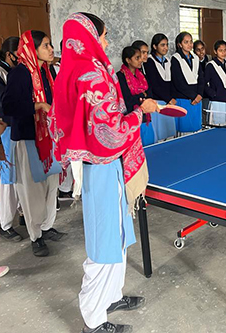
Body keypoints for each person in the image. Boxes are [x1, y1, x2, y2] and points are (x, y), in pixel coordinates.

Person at [50, 12, 158, 332]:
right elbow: (110, 132)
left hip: (103, 164)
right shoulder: (90, 75)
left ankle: (111, 295)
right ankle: (94, 321)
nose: (107, 42)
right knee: (103, 243)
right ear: (88, 37)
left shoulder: (78, 69)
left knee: (118, 236)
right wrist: (141, 111)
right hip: (101, 164)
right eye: (103, 35)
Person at [2, 30, 65, 257]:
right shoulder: (20, 73)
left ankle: (47, 227)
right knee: (31, 191)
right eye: (46, 46)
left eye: (50, 46)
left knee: (51, 186)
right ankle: (35, 236)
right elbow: (8, 108)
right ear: (33, 48)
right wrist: (37, 107)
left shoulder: (47, 72)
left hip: (49, 138)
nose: (51, 50)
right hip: (28, 137)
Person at [0, 36, 24, 242]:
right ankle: (5, 223)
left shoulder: (13, 71)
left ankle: (20, 213)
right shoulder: (2, 73)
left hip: (15, 127)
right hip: (5, 129)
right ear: (10, 54)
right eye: (20, 52)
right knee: (6, 178)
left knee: (17, 175)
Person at [117, 46, 155, 146]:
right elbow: (127, 100)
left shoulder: (142, 76)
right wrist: (142, 95)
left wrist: (141, 97)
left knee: (149, 146)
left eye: (140, 57)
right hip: (131, 118)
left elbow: (150, 94)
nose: (140, 60)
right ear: (128, 60)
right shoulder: (120, 77)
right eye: (137, 58)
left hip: (145, 116)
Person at [143, 33, 177, 141]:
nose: (165, 48)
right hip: (158, 101)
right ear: (154, 46)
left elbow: (172, 82)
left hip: (168, 102)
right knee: (159, 133)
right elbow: (154, 84)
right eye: (162, 45)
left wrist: (172, 98)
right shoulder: (149, 61)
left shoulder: (168, 61)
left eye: (166, 45)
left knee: (169, 132)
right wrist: (168, 99)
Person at [171, 31, 205, 133]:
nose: (190, 44)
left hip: (197, 99)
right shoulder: (175, 59)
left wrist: (199, 94)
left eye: (191, 41)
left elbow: (201, 78)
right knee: (184, 130)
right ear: (180, 44)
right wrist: (193, 96)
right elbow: (178, 82)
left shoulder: (195, 58)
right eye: (186, 42)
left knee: (196, 129)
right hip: (184, 99)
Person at [205, 40, 226, 125]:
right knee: (216, 125)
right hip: (217, 102)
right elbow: (204, 83)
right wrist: (213, 94)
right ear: (215, 51)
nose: (223, 53)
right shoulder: (210, 65)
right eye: (220, 50)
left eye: (225, 50)